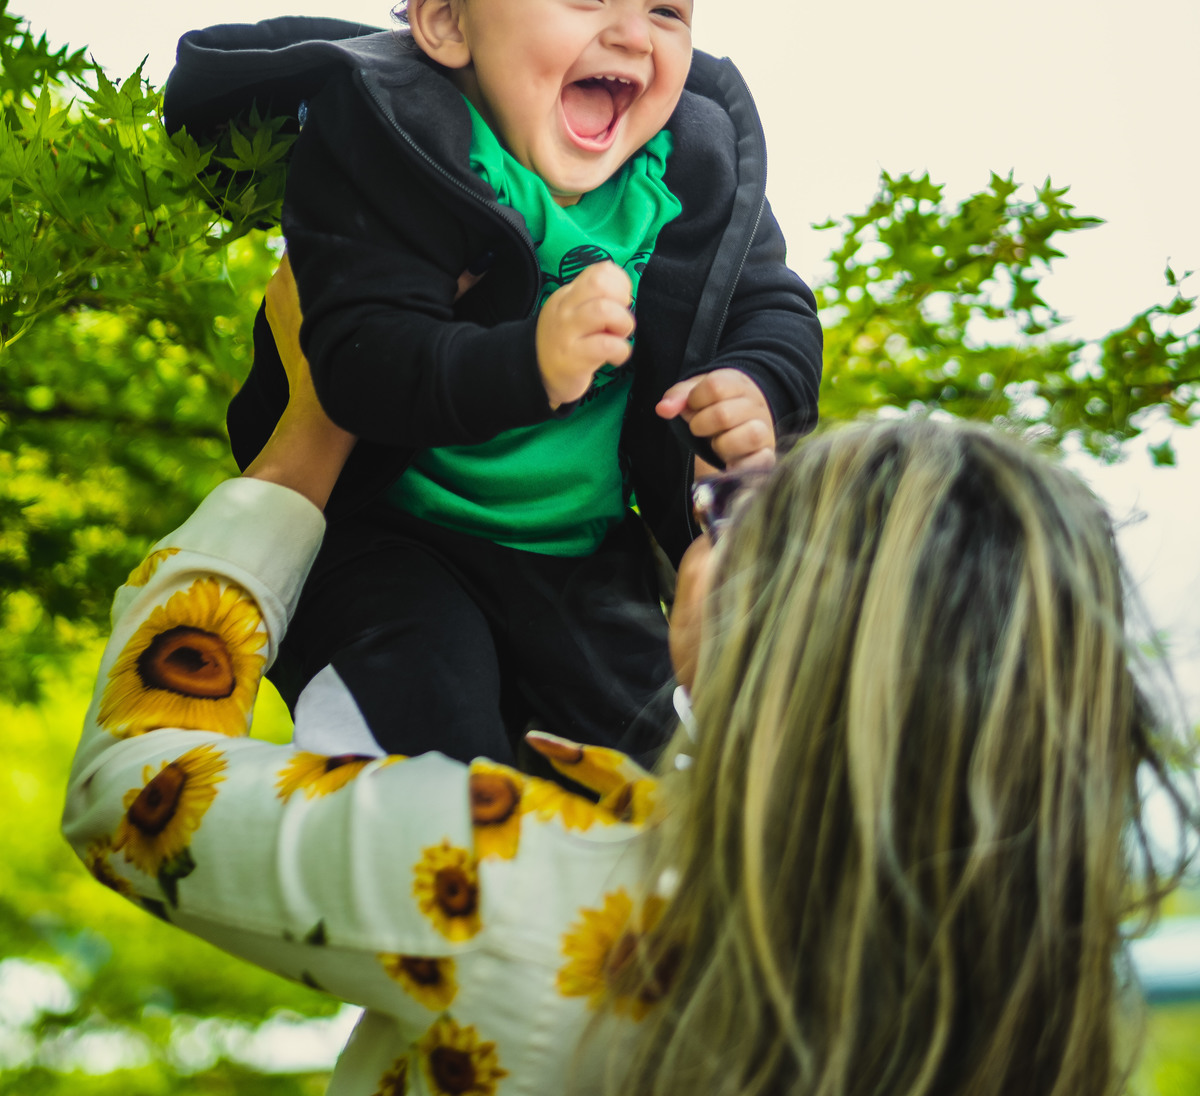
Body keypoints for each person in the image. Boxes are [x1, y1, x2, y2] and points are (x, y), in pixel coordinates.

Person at [64, 260, 1190, 1096]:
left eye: (749, 510)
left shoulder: (523, 882)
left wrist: (307, 435)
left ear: (792, 630)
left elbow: (130, 784)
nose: (708, 506)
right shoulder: (1043, 1019)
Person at [163, 0, 823, 767]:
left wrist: (760, 384)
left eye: (668, 8)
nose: (635, 35)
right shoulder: (394, 139)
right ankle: (378, 829)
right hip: (399, 532)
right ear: (447, 22)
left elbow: (772, 302)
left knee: (635, 780)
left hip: (583, 553)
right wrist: (528, 360)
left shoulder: (691, 165)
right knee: (421, 728)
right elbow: (356, 360)